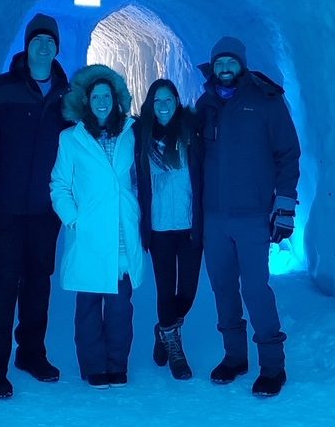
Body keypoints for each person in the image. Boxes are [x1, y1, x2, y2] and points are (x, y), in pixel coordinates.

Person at [0, 13, 68, 400]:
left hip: (45, 212)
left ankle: (31, 354)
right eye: (37, 39)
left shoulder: (65, 96)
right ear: (27, 45)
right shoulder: (0, 90)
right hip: (5, 210)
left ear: (58, 47)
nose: (44, 45)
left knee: (39, 284)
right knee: (2, 287)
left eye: (50, 40)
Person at [195, 36, 301, 397]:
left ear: (241, 63)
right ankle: (234, 357)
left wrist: (284, 207)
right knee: (222, 287)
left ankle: (273, 366)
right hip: (215, 217)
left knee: (255, 289)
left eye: (231, 61)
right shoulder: (206, 104)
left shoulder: (266, 102)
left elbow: (287, 154)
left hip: (253, 215)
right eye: (219, 62)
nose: (225, 68)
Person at [50, 65, 145, 389]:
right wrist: (73, 219)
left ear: (116, 100)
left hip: (120, 233)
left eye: (107, 95)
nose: (101, 101)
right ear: (86, 101)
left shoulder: (131, 133)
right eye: (96, 96)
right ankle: (94, 366)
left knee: (120, 307)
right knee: (89, 306)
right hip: (89, 234)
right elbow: (59, 184)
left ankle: (117, 364)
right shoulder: (71, 138)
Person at [133, 79, 203, 380]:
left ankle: (164, 328)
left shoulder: (191, 133)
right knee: (165, 289)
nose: (163, 106)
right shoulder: (141, 136)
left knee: (187, 291)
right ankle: (175, 348)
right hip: (160, 226)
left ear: (177, 101)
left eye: (168, 100)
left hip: (189, 225)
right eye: (157, 100)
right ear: (150, 105)